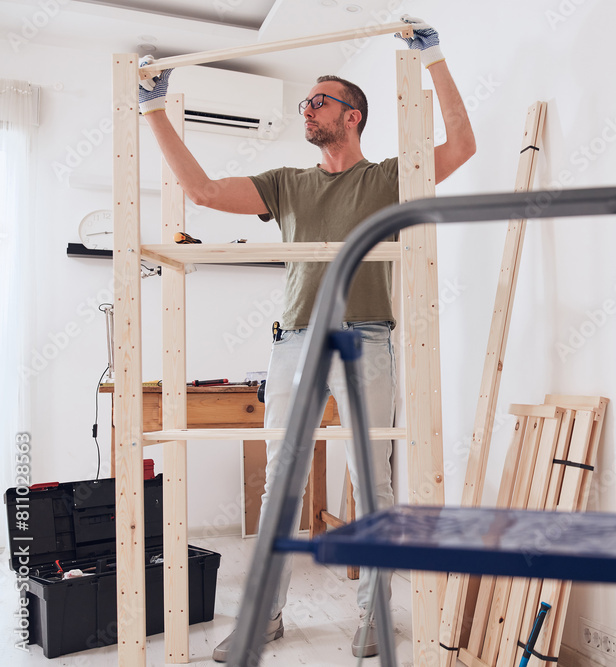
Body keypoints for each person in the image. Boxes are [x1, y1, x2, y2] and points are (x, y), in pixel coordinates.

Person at [137, 15, 475, 661]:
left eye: (317, 101)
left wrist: (433, 59)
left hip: (366, 341)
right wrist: (155, 111)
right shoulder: (288, 183)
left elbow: (461, 145)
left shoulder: (385, 179)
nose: (306, 110)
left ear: (352, 116)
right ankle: (264, 616)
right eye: (305, 102)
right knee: (280, 484)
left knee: (373, 478)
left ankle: (374, 615)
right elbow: (201, 189)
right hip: (294, 341)